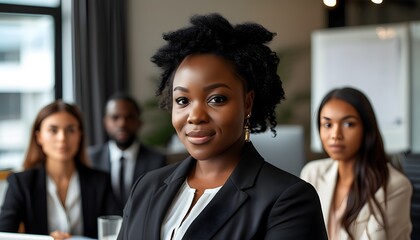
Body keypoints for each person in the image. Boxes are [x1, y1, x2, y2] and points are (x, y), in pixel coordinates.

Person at [117, 13, 328, 240]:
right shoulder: (146, 187)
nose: (195, 116)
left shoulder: (288, 200)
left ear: (247, 103)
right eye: (182, 101)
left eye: (216, 99)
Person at [300, 87, 412, 240]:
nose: (335, 135)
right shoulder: (312, 173)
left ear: (367, 129)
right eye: (327, 125)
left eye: (348, 124)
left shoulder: (395, 186)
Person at [0, 100, 119, 239]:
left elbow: (118, 230)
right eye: (53, 130)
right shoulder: (21, 183)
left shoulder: (101, 182)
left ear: (80, 135)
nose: (62, 138)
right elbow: (4, 235)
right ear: (39, 137)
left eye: (70, 130)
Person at [88, 92, 167, 207]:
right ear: (106, 123)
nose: (122, 123)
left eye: (129, 117)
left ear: (139, 122)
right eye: (115, 118)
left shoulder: (157, 160)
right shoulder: (91, 158)